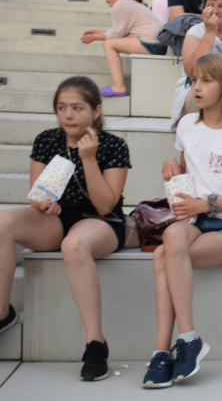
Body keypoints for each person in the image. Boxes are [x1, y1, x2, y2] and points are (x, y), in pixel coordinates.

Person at [143, 53, 222, 388]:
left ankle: (168, 349)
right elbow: (187, 173)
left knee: (163, 257)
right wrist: (172, 167)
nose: (196, 87)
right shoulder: (186, 126)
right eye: (194, 80)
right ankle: (178, 344)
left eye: (206, 81)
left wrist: (206, 204)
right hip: (193, 224)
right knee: (169, 243)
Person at [0, 77, 130, 379]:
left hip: (101, 222)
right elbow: (37, 193)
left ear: (96, 110)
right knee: (3, 222)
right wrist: (42, 203)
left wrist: (88, 158)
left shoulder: (114, 145)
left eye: (77, 108)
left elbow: (105, 206)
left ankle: (96, 344)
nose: (68, 115)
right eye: (61, 108)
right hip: (56, 220)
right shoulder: (47, 140)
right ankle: (2, 313)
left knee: (74, 245)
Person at [79, 0, 165, 97]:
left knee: (109, 44)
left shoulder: (121, 4)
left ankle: (118, 86)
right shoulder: (127, 2)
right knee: (112, 41)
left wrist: (94, 37)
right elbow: (120, 32)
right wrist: (95, 33)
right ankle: (117, 85)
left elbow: (117, 34)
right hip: (155, 43)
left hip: (152, 44)